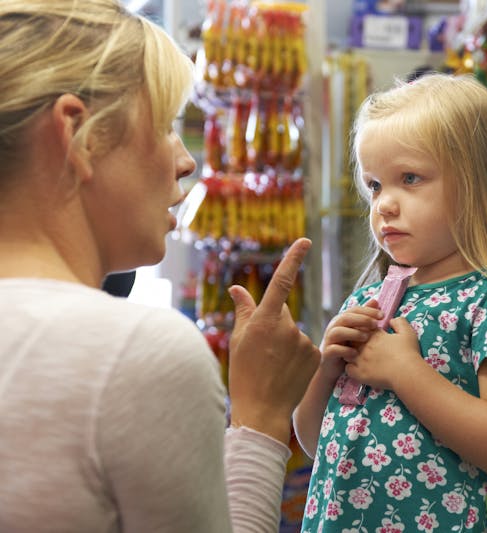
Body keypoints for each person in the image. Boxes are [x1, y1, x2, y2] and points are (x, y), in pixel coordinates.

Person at [0, 1, 319, 532]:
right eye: (167, 126)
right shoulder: (133, 355)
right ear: (80, 134)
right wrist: (261, 418)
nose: (186, 160)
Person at [293, 72, 487, 532]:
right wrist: (325, 368)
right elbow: (319, 443)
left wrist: (404, 373)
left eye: (409, 179)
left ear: (481, 184)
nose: (384, 205)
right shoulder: (373, 298)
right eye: (375, 185)